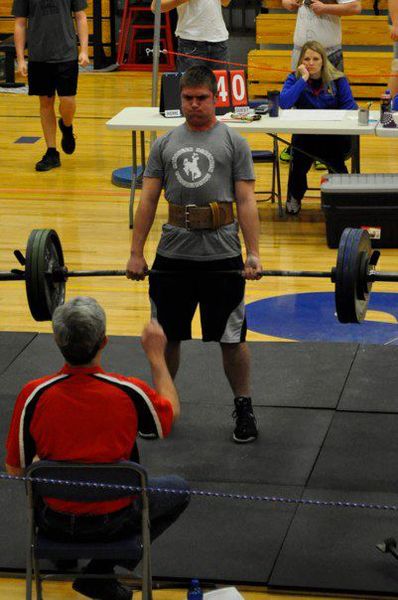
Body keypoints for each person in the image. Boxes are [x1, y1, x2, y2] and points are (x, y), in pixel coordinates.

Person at [5, 297, 189, 600]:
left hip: (53, 521)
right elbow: (169, 417)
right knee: (178, 489)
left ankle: (66, 555)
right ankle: (100, 574)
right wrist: (156, 356)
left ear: (56, 340)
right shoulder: (129, 391)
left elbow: (15, 470)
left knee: (44, 478)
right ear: (104, 342)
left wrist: (43, 462)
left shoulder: (33, 395)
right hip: (114, 522)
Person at [126, 65, 262, 444]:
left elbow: (247, 201)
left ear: (215, 98)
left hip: (221, 253)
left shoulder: (234, 142)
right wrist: (136, 253)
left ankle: (244, 405)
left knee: (231, 338)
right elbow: (148, 199)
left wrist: (253, 254)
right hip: (173, 252)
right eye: (188, 98)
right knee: (166, 336)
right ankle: (161, 404)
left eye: (202, 98)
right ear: (180, 98)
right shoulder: (164, 143)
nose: (195, 105)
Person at [279, 40, 357, 215]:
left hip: (333, 137)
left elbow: (350, 108)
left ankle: (343, 199)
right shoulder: (295, 78)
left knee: (335, 160)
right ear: (301, 61)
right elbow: (284, 103)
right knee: (298, 160)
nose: (311, 63)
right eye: (306, 59)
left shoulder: (338, 79)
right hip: (306, 137)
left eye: (315, 58)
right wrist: (303, 80)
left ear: (323, 61)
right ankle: (294, 197)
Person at [13, 0, 90, 172]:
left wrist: (84, 50)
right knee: (46, 103)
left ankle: (67, 126)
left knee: (68, 101)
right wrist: (20, 59)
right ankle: (51, 152)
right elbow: (19, 23)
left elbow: (81, 16)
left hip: (66, 54)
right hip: (39, 56)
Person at [281, 0, 361, 72]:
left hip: (329, 53)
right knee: (298, 87)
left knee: (332, 88)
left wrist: (325, 8)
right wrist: (287, 2)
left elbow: (355, 7)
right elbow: (286, 1)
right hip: (300, 51)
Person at [151, 0, 231, 71]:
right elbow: (155, 7)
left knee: (221, 87)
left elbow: (225, 2)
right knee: (192, 86)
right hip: (190, 42)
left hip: (219, 40)